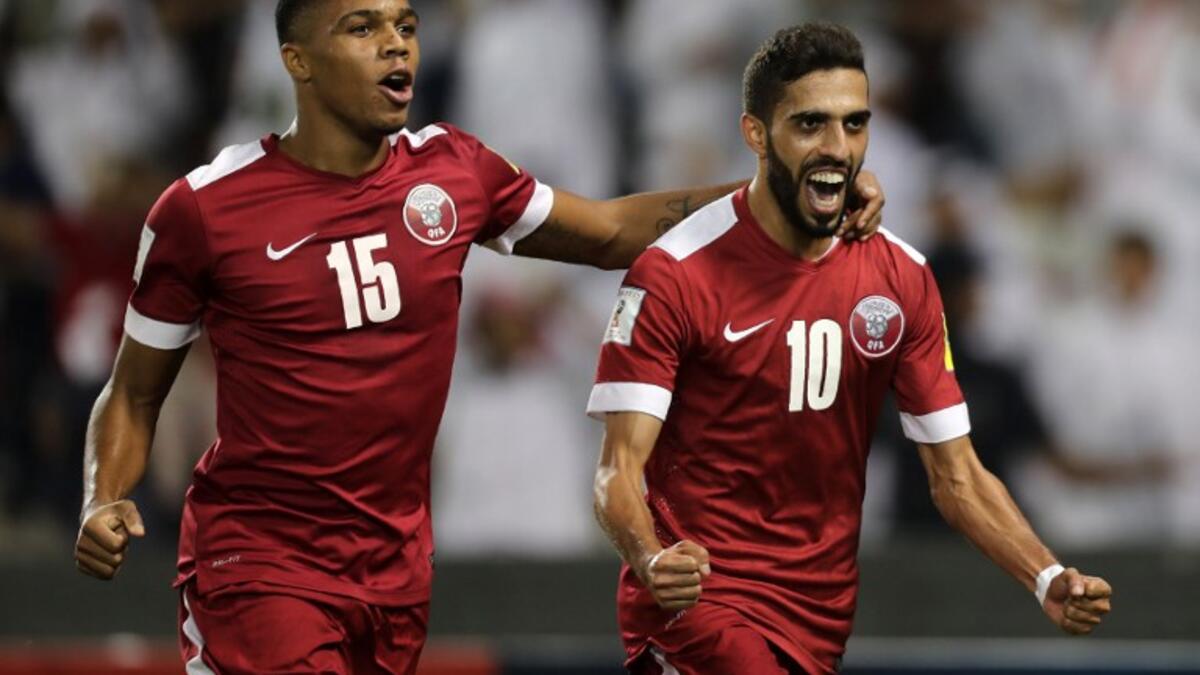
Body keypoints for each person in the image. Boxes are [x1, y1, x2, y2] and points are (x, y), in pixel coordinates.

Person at [70, 1, 887, 673]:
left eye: (406, 23)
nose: (396, 42)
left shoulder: (452, 172)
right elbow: (133, 391)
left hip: (393, 575)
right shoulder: (204, 210)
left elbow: (606, 231)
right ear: (298, 60)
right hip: (259, 567)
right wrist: (105, 493)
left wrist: (782, 197)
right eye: (362, 27)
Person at [589, 22, 1111, 675]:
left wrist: (1045, 574)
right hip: (700, 608)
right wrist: (650, 556)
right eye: (810, 125)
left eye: (854, 124)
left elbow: (957, 476)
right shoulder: (675, 274)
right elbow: (617, 470)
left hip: (818, 618)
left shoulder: (901, 279)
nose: (838, 147)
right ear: (756, 134)